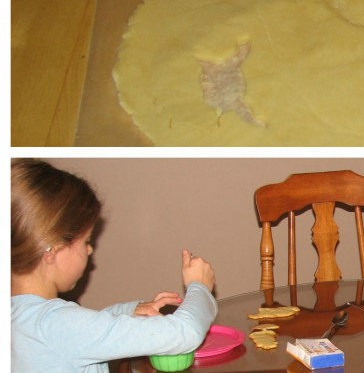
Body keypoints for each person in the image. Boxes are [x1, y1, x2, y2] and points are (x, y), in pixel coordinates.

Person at [11, 158, 218, 372]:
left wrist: (128, 312)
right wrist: (199, 286)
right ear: (52, 249)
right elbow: (185, 332)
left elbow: (84, 328)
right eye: (86, 241)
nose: (90, 250)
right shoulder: (55, 326)